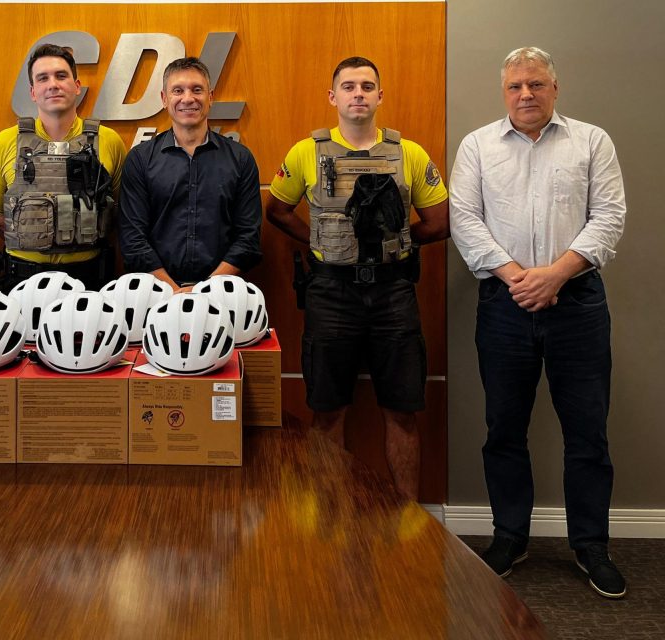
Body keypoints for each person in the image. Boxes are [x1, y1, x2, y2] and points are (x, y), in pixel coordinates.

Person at [449, 47, 627, 598]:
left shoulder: (591, 141)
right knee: (504, 428)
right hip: (504, 304)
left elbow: (609, 217)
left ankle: (591, 545)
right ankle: (510, 537)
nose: (525, 94)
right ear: (503, 92)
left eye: (536, 84)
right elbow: (465, 219)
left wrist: (554, 275)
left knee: (588, 433)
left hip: (577, 302)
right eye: (515, 86)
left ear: (555, 88)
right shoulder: (478, 145)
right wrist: (518, 277)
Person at [266, 56, 449, 499]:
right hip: (330, 293)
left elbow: (440, 222)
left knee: (402, 410)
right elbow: (277, 210)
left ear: (380, 96)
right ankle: (331, 519)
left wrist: (396, 242)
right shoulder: (305, 152)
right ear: (333, 97)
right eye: (348, 87)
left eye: (367, 86)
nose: (358, 94)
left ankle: (407, 516)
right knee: (327, 410)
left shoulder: (409, 153)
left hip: (393, 293)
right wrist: (318, 241)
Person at [0, 43, 127, 290]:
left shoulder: (109, 141)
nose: (53, 85)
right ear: (33, 92)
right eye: (43, 78)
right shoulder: (4, 142)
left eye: (61, 76)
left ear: (77, 86)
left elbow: (120, 208)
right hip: (23, 280)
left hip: (90, 279)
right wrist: (32, 235)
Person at [118, 57, 262, 290]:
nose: (188, 98)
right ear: (164, 99)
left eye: (197, 89)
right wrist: (174, 291)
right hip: (156, 293)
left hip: (221, 294)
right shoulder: (140, 160)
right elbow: (132, 239)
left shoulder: (240, 159)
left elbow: (248, 239)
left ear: (210, 97)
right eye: (178, 90)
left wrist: (203, 291)